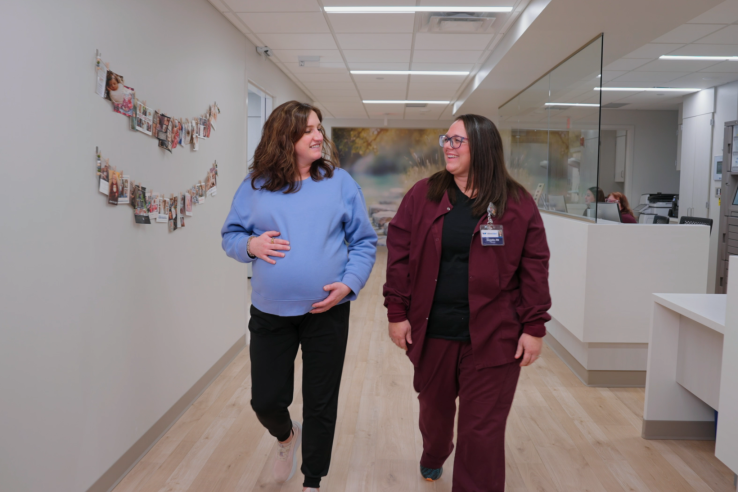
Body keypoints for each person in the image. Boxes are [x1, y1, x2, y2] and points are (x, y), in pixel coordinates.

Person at [383, 114, 551, 492]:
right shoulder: (424, 195)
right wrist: (397, 312)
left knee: (483, 431)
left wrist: (533, 327)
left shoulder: (517, 203)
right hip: (435, 330)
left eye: (458, 141)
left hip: (495, 335)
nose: (448, 146)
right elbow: (399, 254)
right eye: (447, 139)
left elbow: (534, 267)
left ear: (483, 147)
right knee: (435, 414)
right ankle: (435, 451)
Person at [221, 101, 377, 492]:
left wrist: (350, 283)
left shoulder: (339, 182)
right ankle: (287, 437)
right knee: (266, 401)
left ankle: (312, 481)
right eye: (309, 129)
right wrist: (252, 245)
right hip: (271, 312)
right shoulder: (255, 185)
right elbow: (231, 236)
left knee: (321, 401)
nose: (318, 136)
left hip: (327, 311)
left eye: (319, 128)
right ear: (284, 136)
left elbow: (363, 241)